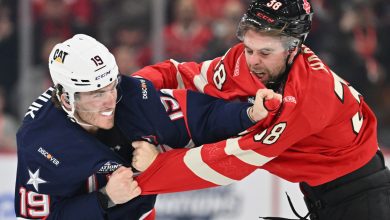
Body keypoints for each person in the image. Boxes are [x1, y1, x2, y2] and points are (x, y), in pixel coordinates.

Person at [132, 1, 390, 219]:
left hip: (364, 199)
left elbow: (233, 161)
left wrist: (152, 169)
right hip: (323, 192)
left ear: (294, 49)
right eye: (249, 49)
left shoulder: (306, 97)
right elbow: (183, 73)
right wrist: (125, 89)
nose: (253, 61)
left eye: (265, 52)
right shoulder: (246, 59)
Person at [14, 34, 278, 219]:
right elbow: (48, 216)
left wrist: (249, 113)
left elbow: (200, 117)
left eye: (110, 87)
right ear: (66, 98)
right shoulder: (38, 140)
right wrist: (105, 198)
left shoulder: (133, 96)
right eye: (96, 93)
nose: (109, 101)